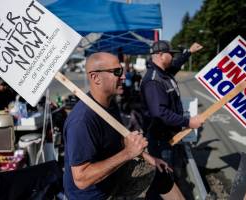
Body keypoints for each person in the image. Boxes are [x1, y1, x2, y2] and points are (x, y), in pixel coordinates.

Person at [63, 52, 185, 200]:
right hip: (94, 195)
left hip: (114, 177)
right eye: (117, 72)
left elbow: (120, 139)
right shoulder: (82, 121)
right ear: (96, 77)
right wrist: (128, 153)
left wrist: (149, 158)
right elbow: (81, 179)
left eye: (123, 71)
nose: (123, 77)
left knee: (163, 174)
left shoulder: (110, 103)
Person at [140, 40, 205, 166]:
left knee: (169, 169)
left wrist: (189, 52)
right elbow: (160, 113)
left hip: (168, 135)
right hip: (160, 140)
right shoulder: (154, 81)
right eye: (170, 54)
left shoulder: (164, 72)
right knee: (165, 174)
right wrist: (188, 122)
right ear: (160, 55)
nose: (173, 57)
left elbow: (177, 64)